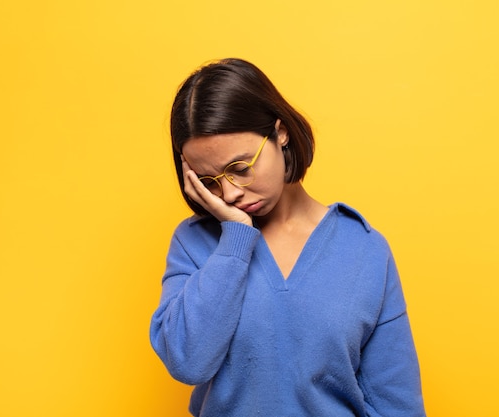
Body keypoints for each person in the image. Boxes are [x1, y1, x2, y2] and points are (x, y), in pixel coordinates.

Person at [150, 58, 426, 417]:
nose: (229, 193)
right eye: (209, 181)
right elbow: (188, 362)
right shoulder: (195, 244)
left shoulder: (363, 249)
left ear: (280, 133)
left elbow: (397, 402)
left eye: (240, 168)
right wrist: (234, 237)